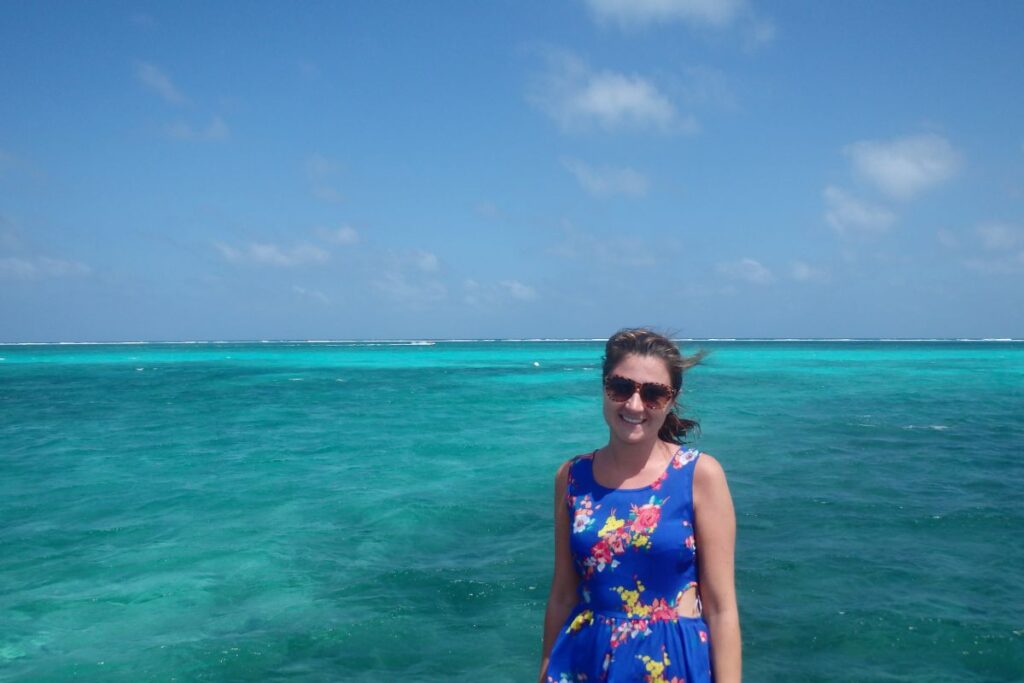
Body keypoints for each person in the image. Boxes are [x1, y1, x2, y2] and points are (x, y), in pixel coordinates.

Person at [539, 328, 741, 683]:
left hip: (672, 663)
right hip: (586, 662)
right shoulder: (571, 476)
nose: (634, 405)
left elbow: (721, 609)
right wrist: (544, 670)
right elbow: (562, 595)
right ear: (604, 386)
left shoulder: (699, 474)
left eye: (653, 394)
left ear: (671, 400)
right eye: (621, 387)